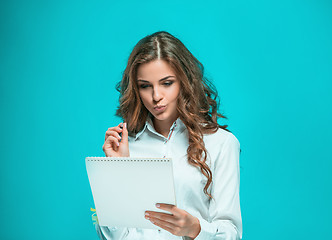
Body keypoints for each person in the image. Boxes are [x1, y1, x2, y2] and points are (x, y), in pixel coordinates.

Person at [96, 31, 242, 240]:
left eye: (166, 83)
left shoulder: (221, 144)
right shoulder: (125, 146)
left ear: (184, 81)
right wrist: (118, 171)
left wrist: (195, 229)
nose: (156, 96)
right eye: (145, 86)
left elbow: (232, 233)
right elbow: (111, 237)